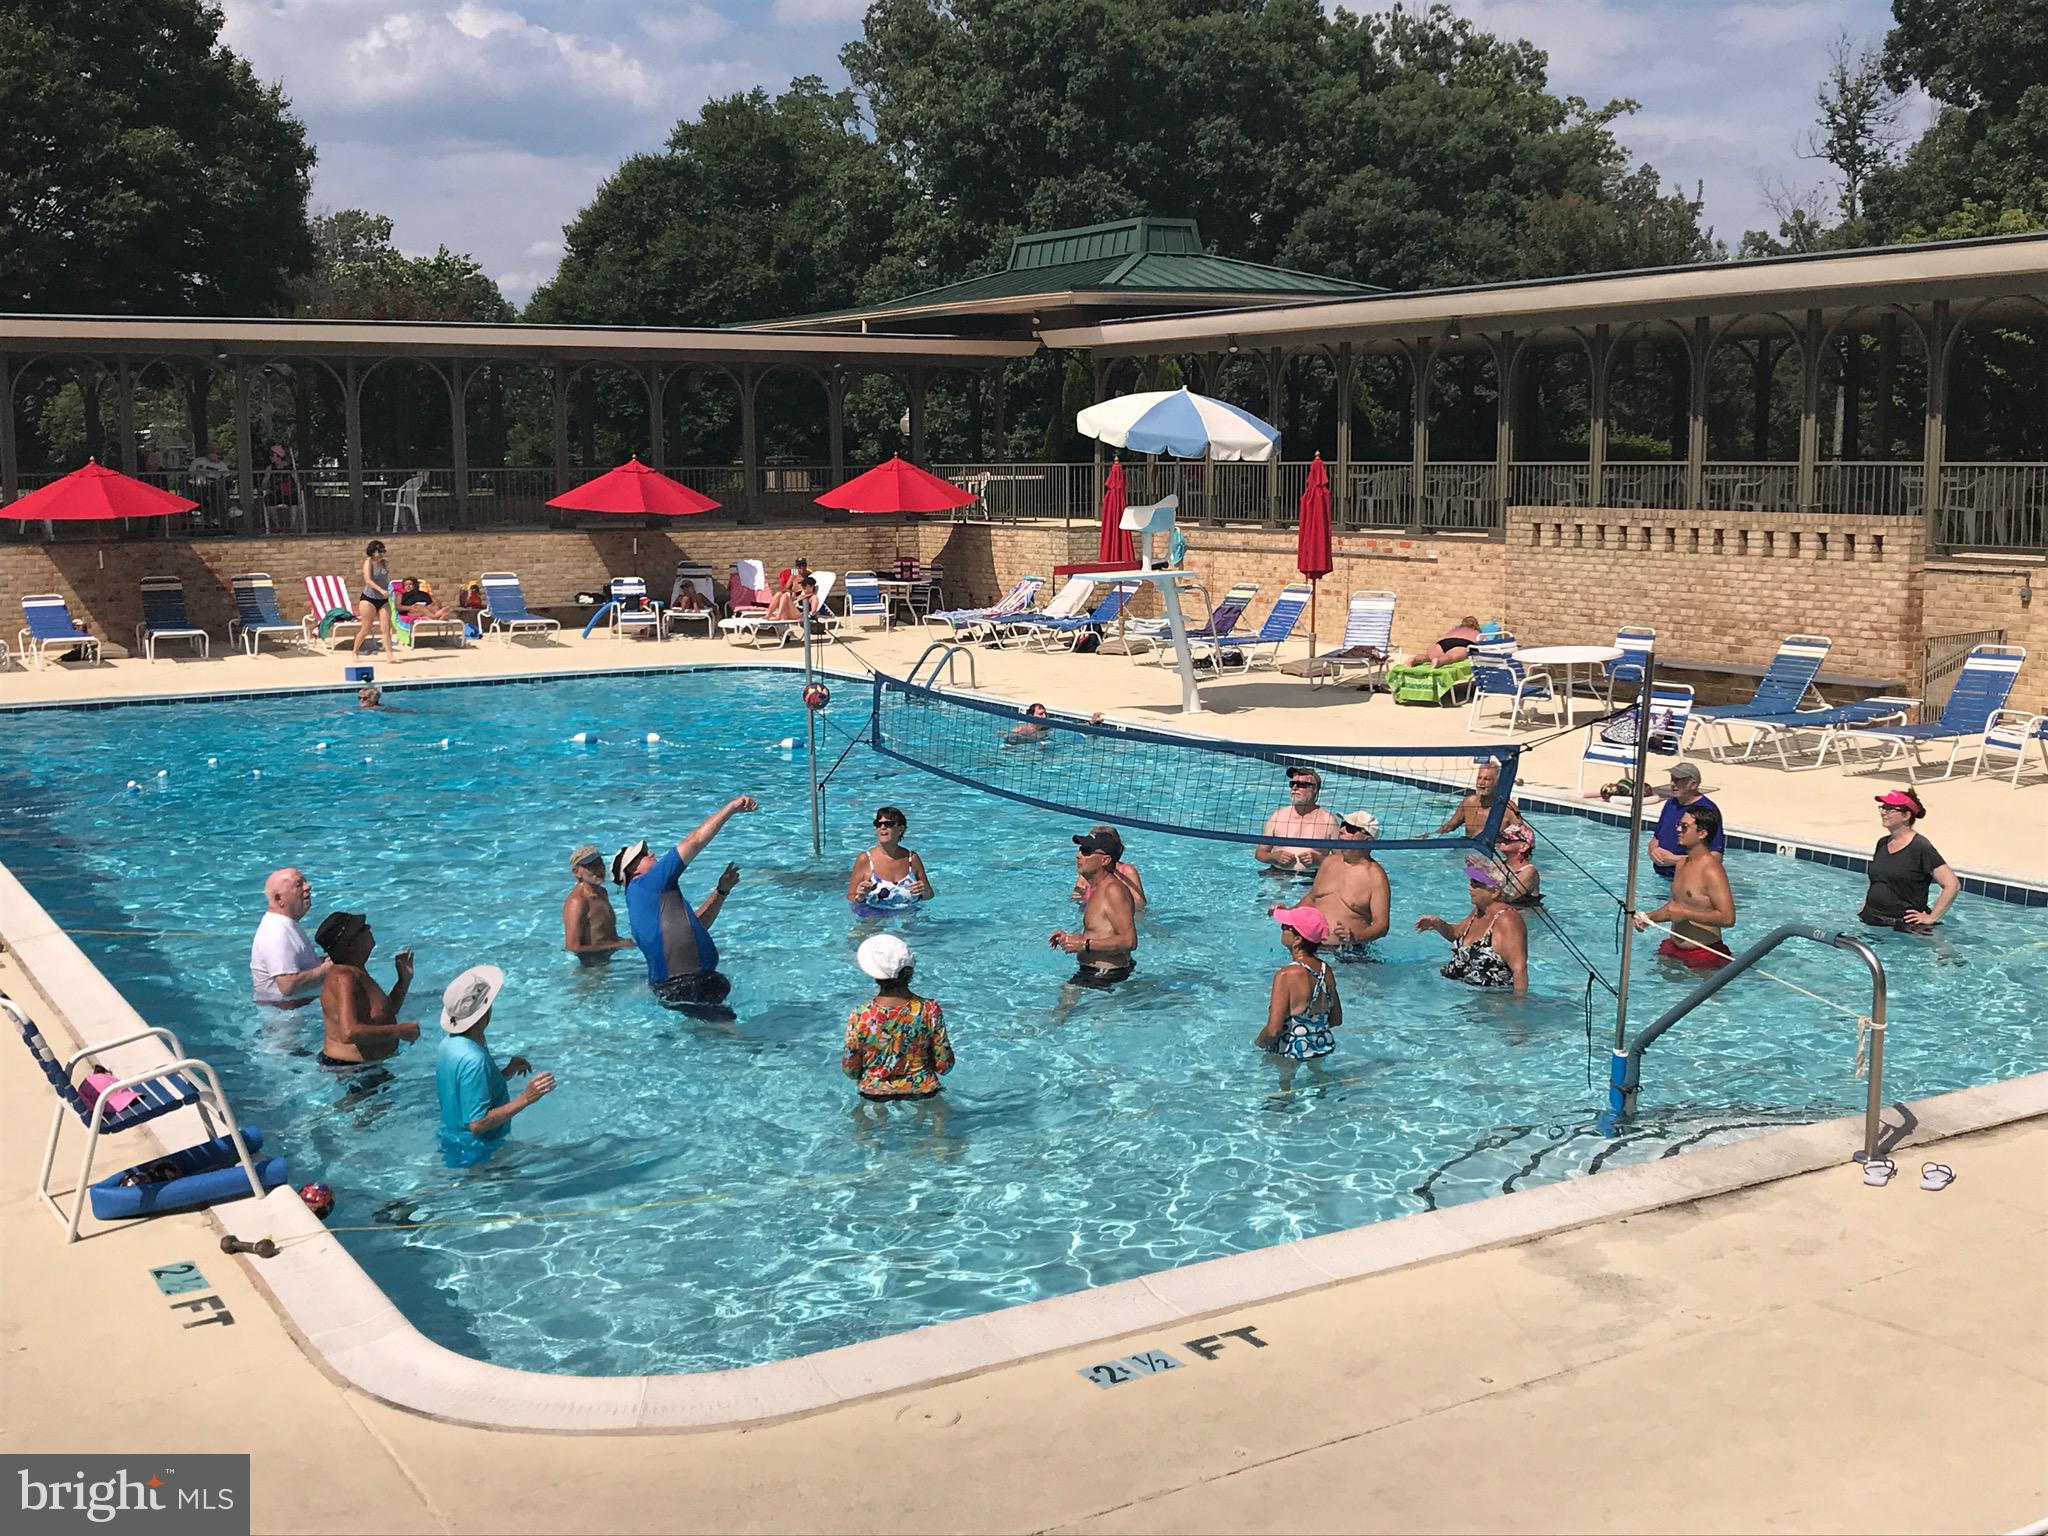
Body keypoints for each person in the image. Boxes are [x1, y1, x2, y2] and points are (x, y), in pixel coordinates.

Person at [615, 795, 757, 1013]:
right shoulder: (650, 881)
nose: (650, 853)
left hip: (676, 987)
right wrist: (732, 807)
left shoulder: (640, 897)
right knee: (729, 1031)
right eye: (642, 854)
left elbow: (694, 928)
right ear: (632, 870)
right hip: (689, 984)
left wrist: (721, 891)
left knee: (714, 1028)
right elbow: (695, 840)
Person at [434, 964, 554, 1166]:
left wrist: (505, 1073)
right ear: (483, 1014)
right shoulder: (475, 1060)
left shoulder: (448, 1044)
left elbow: (465, 1088)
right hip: (480, 1151)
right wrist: (527, 1097)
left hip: (453, 1139)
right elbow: (477, 1124)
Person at [841, 934, 953, 1102]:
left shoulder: (860, 1015)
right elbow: (945, 1065)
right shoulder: (930, 1010)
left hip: (874, 1095)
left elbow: (850, 1070)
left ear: (874, 974)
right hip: (923, 1092)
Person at [1634, 805, 1736, 969]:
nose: (1678, 830)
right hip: (1673, 948)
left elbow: (1728, 917)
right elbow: (1676, 907)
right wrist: (1648, 917)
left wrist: (1686, 914)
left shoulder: (1712, 870)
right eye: (1678, 825)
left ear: (1702, 833)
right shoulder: (1681, 864)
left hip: (1704, 953)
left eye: (1685, 827)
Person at [313, 911, 420, 1065]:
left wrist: (404, 980)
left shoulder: (356, 970)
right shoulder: (344, 977)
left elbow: (382, 1015)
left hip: (367, 1067)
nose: (369, 927)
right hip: (350, 1069)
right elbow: (349, 1032)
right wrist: (399, 1031)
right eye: (362, 928)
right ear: (350, 944)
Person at [1860, 788, 1960, 933]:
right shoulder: (1882, 843)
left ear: (1906, 815)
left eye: (1890, 808)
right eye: (1883, 807)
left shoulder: (1920, 847)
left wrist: (1932, 917)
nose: (1883, 812)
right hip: (1872, 918)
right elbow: (1878, 878)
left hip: (1903, 925)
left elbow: (1952, 884)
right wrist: (1867, 902)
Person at [1416, 867, 1529, 993]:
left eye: (1475, 884)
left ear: (1495, 891)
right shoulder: (1479, 912)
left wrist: (1518, 1001)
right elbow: (1456, 934)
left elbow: (1519, 970)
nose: (1469, 887)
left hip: (1489, 998)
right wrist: (1438, 924)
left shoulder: (1508, 920)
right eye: (1470, 882)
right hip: (1460, 990)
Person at [1051, 829, 1139, 988]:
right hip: (1096, 973)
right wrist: (1072, 939)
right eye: (1080, 850)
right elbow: (1102, 932)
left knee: (1061, 1001)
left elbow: (1129, 940)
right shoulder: (1098, 888)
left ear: (1105, 860)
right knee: (1061, 1001)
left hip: (1106, 975)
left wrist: (1083, 945)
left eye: (1086, 851)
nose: (1078, 855)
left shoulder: (1113, 891)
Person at [1257, 906, 1343, 1061]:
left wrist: (1258, 1044)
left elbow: (1273, 1031)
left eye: (1285, 927)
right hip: (1323, 1046)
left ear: (1298, 939)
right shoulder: (1326, 970)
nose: (1282, 929)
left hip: (1291, 1052)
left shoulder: (1285, 975)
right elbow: (1336, 1019)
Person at [1302, 809, 1390, 956]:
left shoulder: (1375, 877)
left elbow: (1382, 926)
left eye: (1350, 828)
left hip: (1350, 953)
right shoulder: (1329, 862)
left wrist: (1356, 937)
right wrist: (1287, 912)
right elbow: (1312, 898)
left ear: (1367, 840)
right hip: (1312, 946)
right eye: (1342, 825)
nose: (1341, 830)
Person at [250, 867, 330, 1008]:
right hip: (285, 1015)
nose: (308, 887)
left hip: (297, 1009)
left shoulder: (286, 924)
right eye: (299, 885)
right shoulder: (276, 933)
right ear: (279, 899)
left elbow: (298, 965)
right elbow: (288, 985)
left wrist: (324, 961)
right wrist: (328, 968)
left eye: (305, 882)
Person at [847, 806, 935, 913]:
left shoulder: (912, 858)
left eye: (888, 824)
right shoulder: (865, 859)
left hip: (908, 915)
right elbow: (851, 896)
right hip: (874, 916)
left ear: (901, 829)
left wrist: (924, 891)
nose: (882, 827)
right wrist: (860, 897)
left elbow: (929, 895)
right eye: (878, 824)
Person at [1256, 766, 1343, 872]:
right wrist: (1274, 857)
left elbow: (1342, 860)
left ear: (1314, 789)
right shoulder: (1277, 816)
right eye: (1292, 784)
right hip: (1278, 874)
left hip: (1311, 877)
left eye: (1301, 784)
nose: (1294, 788)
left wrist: (1319, 860)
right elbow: (1260, 853)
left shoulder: (1328, 821)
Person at [1648, 761, 1722, 880]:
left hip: (1688, 879)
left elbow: (1715, 857)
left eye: (1678, 780)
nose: (1672, 784)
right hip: (1660, 876)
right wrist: (1653, 851)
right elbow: (1656, 838)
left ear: (1693, 784)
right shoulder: (1670, 803)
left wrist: (1674, 860)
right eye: (1672, 779)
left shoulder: (1707, 810)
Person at [563, 843, 634, 963]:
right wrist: (617, 945)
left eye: (600, 863)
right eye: (591, 866)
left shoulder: (602, 892)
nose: (599, 869)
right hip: (591, 967)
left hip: (608, 958)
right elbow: (572, 947)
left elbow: (607, 934)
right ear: (576, 872)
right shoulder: (578, 902)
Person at [1433, 761, 1525, 841]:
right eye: (1479, 778)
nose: (1481, 783)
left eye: (1486, 779)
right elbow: (1449, 826)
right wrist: (1431, 835)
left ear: (1497, 783)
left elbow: (1524, 838)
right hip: (1467, 849)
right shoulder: (1469, 803)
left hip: (1493, 852)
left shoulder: (1507, 809)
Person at [1068, 823, 1145, 910]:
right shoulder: (1087, 871)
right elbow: (1076, 896)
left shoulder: (1127, 872)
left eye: (1087, 851)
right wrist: (1078, 895)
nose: (1078, 855)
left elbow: (1140, 905)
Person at [352, 539, 397, 663]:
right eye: (379, 551)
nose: (381, 554)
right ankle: (355, 652)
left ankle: (390, 656)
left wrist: (388, 591)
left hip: (383, 600)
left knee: (386, 628)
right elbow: (368, 580)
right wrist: (380, 590)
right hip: (369, 598)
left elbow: (385, 579)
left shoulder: (384, 563)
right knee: (366, 628)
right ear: (372, 552)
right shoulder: (368, 563)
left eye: (383, 551)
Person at [1408, 614, 1481, 667]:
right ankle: (1438, 661)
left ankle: (1415, 659)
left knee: (1429, 656)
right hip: (1463, 643)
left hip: (1443, 642)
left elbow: (1441, 638)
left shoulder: (1455, 630)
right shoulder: (1477, 632)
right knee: (1451, 657)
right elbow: (1483, 644)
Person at [1496, 821, 1542, 907]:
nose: (1504, 840)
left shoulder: (1529, 872)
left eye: (1509, 839)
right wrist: (1474, 869)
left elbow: (1507, 897)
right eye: (1503, 837)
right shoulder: (1499, 864)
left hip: (1525, 913)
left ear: (1524, 846)